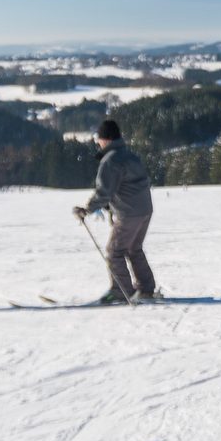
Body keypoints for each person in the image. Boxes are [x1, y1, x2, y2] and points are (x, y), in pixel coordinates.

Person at [74, 119, 158, 304]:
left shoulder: (110, 160)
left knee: (114, 251)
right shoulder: (130, 155)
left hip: (129, 213)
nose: (98, 142)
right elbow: (128, 185)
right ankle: (146, 288)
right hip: (144, 210)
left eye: (100, 139)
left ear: (108, 139)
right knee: (133, 248)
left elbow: (104, 191)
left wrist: (87, 209)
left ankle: (121, 291)